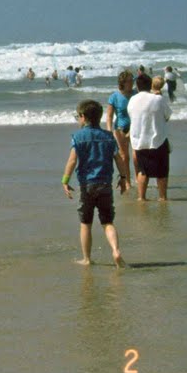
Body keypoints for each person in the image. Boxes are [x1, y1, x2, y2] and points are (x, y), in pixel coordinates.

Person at [61, 99, 129, 268]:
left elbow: (72, 161)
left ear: (83, 117)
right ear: (99, 117)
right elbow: (119, 158)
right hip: (105, 184)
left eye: (78, 116)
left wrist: (65, 181)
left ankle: (87, 258)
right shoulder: (108, 137)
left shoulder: (78, 137)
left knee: (86, 224)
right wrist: (123, 177)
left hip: (87, 185)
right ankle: (116, 250)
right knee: (107, 222)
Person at [127, 73, 172, 202]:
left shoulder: (132, 100)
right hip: (157, 139)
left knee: (142, 171)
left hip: (139, 140)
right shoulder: (158, 99)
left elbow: (132, 116)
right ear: (150, 85)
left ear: (137, 86)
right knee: (162, 172)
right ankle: (162, 197)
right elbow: (167, 116)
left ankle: (141, 197)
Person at [105, 70, 134, 186]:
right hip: (121, 128)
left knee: (136, 155)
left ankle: (139, 178)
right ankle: (127, 182)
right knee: (124, 156)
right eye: (129, 81)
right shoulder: (114, 97)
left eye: (133, 80)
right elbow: (109, 116)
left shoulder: (136, 94)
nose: (132, 83)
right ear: (123, 82)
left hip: (135, 127)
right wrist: (109, 130)